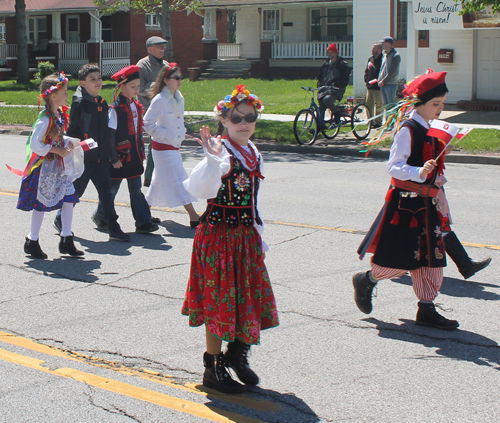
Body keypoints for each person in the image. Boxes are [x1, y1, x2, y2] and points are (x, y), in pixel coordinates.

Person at [181, 85, 279, 393]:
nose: (244, 123)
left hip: (245, 236)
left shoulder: (253, 152)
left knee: (246, 297)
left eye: (250, 117)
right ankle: (212, 367)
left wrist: (259, 236)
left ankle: (236, 353)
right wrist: (211, 161)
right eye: (237, 118)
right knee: (218, 302)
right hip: (219, 237)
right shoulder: (220, 150)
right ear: (224, 120)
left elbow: (253, 199)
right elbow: (197, 189)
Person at [353, 71, 460, 330]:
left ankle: (426, 308)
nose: (440, 109)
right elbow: (394, 166)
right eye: (436, 104)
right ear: (420, 102)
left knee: (432, 259)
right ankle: (367, 279)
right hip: (406, 206)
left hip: (428, 205)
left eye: (443, 104)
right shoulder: (408, 130)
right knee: (399, 261)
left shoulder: (432, 129)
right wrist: (417, 172)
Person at [54, 63, 131, 242]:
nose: (97, 82)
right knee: (76, 194)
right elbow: (72, 131)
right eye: (92, 79)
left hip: (101, 160)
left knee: (106, 194)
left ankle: (113, 227)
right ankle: (60, 219)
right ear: (82, 83)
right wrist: (78, 147)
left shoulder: (101, 102)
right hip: (84, 159)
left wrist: (111, 157)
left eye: (99, 78)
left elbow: (106, 134)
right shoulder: (79, 103)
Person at [15, 73, 83, 258]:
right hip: (44, 168)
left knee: (69, 199)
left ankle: (66, 239)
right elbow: (37, 144)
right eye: (64, 92)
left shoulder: (57, 115)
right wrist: (57, 150)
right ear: (53, 96)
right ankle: (32, 239)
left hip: (57, 167)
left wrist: (66, 141)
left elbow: (56, 137)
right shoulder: (45, 118)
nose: (67, 96)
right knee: (41, 203)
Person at [92, 65, 159, 235]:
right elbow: (109, 137)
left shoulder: (136, 106)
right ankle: (100, 216)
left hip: (134, 156)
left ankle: (143, 222)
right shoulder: (114, 109)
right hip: (119, 158)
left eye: (138, 86)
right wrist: (113, 158)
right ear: (121, 87)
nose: (136, 89)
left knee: (136, 189)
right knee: (111, 190)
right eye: (132, 86)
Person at [143, 63, 199, 227]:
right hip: (162, 148)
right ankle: (194, 216)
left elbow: (176, 121)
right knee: (180, 179)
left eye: (181, 77)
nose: (179, 80)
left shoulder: (178, 97)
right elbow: (147, 123)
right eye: (176, 78)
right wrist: (166, 134)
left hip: (174, 146)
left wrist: (181, 131)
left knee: (157, 182)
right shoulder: (159, 99)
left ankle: (143, 214)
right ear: (166, 81)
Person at [137, 36, 169, 189]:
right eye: (158, 46)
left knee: (165, 143)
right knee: (154, 143)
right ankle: (149, 178)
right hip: (149, 111)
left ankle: (161, 176)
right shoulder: (142, 65)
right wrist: (158, 85)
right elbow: (139, 88)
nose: (162, 49)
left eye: (163, 46)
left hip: (166, 110)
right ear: (150, 49)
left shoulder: (166, 65)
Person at [317, 43, 352, 124]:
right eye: (328, 52)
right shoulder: (325, 64)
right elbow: (320, 77)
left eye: (331, 52)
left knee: (327, 99)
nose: (329, 54)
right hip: (325, 89)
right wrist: (319, 84)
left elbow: (345, 80)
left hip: (337, 89)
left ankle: (337, 114)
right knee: (321, 106)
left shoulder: (343, 65)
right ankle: (319, 126)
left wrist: (335, 84)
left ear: (336, 53)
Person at [364, 42, 384, 127]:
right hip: (370, 86)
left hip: (378, 87)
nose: (372, 50)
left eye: (374, 48)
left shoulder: (383, 59)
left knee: (379, 105)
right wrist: (366, 79)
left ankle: (378, 122)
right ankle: (370, 121)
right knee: (369, 105)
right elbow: (367, 70)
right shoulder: (370, 59)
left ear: (379, 50)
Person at [378, 36, 401, 106]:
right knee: (386, 105)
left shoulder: (395, 56)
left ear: (388, 44)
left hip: (390, 84)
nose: (381, 44)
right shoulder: (385, 55)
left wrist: (383, 81)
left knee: (391, 106)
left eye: (383, 43)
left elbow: (393, 72)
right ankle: (387, 117)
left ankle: (393, 117)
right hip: (383, 84)